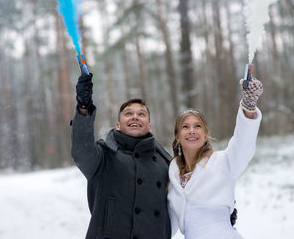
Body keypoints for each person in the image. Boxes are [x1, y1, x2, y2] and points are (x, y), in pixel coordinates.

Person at [71, 73, 172, 239]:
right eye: (128, 113)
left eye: (141, 114)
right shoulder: (104, 156)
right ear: (118, 125)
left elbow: (184, 199)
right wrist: (83, 108)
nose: (135, 117)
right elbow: (81, 152)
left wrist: (222, 211)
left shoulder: (165, 162)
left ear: (150, 126)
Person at [167, 77, 263, 239]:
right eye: (185, 127)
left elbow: (243, 144)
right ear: (177, 136)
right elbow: (164, 225)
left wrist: (248, 105)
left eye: (197, 126)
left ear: (205, 135)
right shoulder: (173, 177)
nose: (192, 131)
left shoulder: (223, 163)